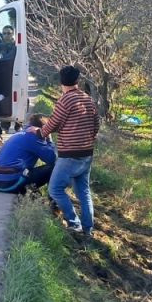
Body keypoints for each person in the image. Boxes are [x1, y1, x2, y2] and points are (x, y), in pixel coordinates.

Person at [40, 65, 99, 236]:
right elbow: (96, 125)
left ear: (61, 82)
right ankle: (88, 229)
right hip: (87, 153)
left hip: (69, 155)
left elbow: (53, 123)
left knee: (55, 189)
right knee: (84, 192)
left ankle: (74, 223)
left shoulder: (65, 101)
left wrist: (41, 132)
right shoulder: (87, 99)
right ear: (77, 81)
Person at [0, 115, 56, 193]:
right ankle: (54, 200)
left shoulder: (20, 134)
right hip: (11, 183)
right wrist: (49, 138)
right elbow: (52, 158)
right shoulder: (33, 137)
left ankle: (35, 192)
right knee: (55, 167)